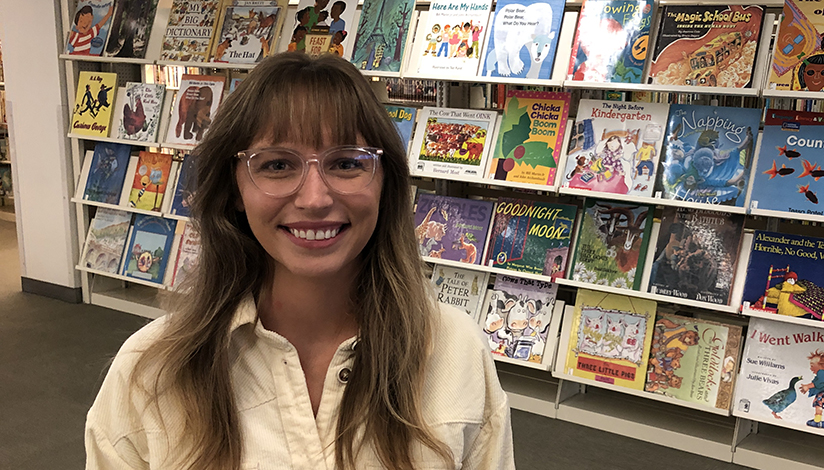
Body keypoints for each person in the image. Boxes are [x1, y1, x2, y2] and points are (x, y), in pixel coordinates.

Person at [84, 53, 514, 469]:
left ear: (386, 183)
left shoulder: (455, 351)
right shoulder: (151, 370)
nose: (315, 199)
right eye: (276, 165)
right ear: (234, 189)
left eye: (346, 163)